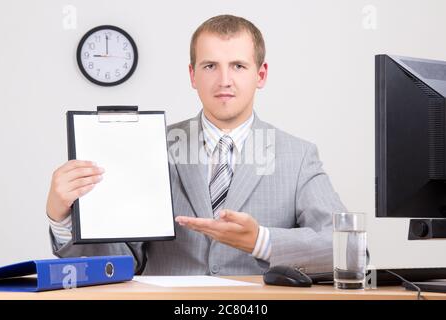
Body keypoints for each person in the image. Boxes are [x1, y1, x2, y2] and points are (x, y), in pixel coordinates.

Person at [46, 14, 346, 275]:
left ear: (261, 75)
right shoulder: (149, 147)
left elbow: (345, 249)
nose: (224, 80)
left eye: (239, 66)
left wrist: (261, 241)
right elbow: (121, 261)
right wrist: (64, 219)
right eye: (210, 66)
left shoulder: (298, 155)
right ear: (192, 75)